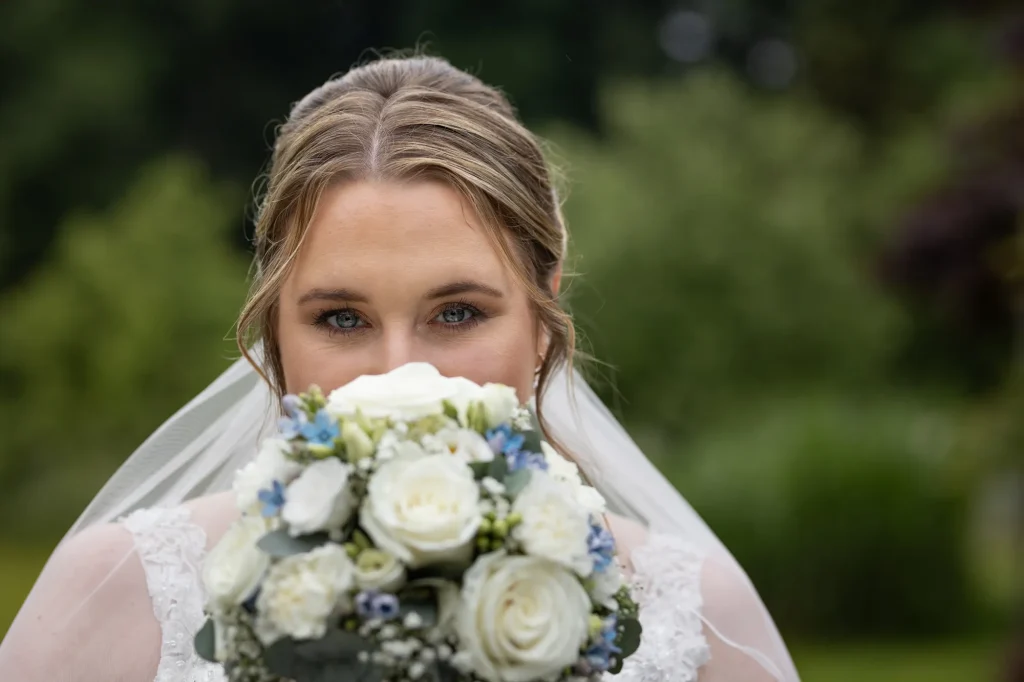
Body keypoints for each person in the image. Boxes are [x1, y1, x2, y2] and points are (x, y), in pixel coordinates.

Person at [0, 54, 800, 682]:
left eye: (457, 313)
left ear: (544, 313)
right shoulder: (117, 598)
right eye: (341, 319)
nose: (400, 373)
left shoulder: (692, 621)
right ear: (274, 326)